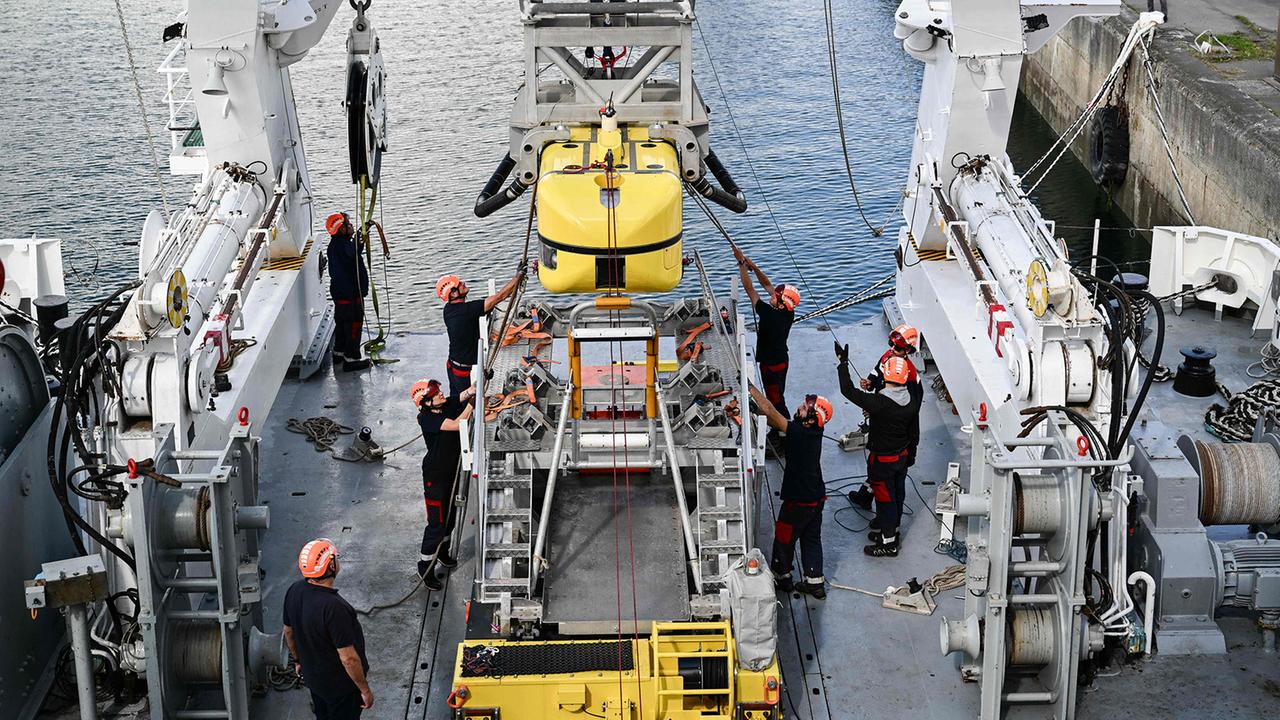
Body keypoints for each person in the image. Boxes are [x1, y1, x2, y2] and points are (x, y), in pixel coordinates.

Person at [747, 383, 833, 599]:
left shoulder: (799, 433)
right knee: (811, 537)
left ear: (811, 419)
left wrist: (749, 387)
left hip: (799, 500)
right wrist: (750, 407)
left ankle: (782, 576)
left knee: (785, 537)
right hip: (815, 497)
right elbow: (771, 415)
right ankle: (815, 583)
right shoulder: (813, 431)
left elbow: (770, 411)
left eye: (805, 408)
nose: (801, 407)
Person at [835, 348, 923, 557]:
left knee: (885, 500)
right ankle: (892, 530)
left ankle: (888, 543)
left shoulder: (879, 403)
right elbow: (914, 431)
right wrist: (911, 455)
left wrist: (843, 363)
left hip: (882, 462)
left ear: (886, 375)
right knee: (897, 495)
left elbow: (847, 390)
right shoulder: (911, 401)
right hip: (901, 457)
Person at [283, 538, 373, 719]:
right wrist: (364, 690)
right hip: (341, 689)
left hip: (314, 681)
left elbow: (288, 632)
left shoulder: (294, 590)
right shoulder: (335, 608)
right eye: (336, 558)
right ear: (331, 566)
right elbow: (349, 659)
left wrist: (298, 660)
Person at [733, 245, 800, 456]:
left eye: (777, 296)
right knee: (777, 395)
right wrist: (753, 265)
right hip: (781, 360)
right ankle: (778, 429)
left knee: (776, 401)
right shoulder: (786, 311)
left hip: (772, 364)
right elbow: (767, 284)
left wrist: (741, 265)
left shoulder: (769, 315)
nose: (773, 294)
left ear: (780, 304)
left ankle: (783, 434)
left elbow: (750, 289)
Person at [412, 378, 476, 590]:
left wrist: (477, 386)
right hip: (436, 477)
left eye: (439, 390)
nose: (441, 394)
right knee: (437, 523)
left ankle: (442, 551)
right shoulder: (427, 419)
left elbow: (462, 395)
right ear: (426, 403)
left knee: (449, 519)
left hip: (450, 473)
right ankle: (425, 567)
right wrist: (473, 405)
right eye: (435, 393)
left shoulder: (443, 405)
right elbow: (458, 425)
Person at [849, 324, 920, 510]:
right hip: (881, 415)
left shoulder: (911, 377)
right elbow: (876, 373)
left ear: (908, 350)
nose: (891, 349)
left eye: (896, 347)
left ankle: (888, 521)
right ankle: (866, 497)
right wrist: (869, 383)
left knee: (890, 478)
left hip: (895, 429)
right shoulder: (888, 357)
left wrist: (912, 450)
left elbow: (910, 411)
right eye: (891, 344)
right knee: (877, 467)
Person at [437, 265, 526, 397]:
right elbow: (500, 297)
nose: (463, 283)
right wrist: (518, 277)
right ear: (454, 293)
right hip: (461, 369)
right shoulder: (467, 311)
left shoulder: (448, 310)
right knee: (466, 403)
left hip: (453, 364)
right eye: (460, 284)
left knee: (456, 399)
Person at [325, 212, 372, 372]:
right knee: (353, 325)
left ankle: (339, 353)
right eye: (348, 224)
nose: (351, 226)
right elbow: (353, 251)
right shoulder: (343, 245)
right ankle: (351, 359)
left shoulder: (336, 245)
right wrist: (362, 232)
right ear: (341, 229)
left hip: (341, 295)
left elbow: (353, 250)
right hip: (350, 295)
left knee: (342, 324)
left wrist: (360, 232)